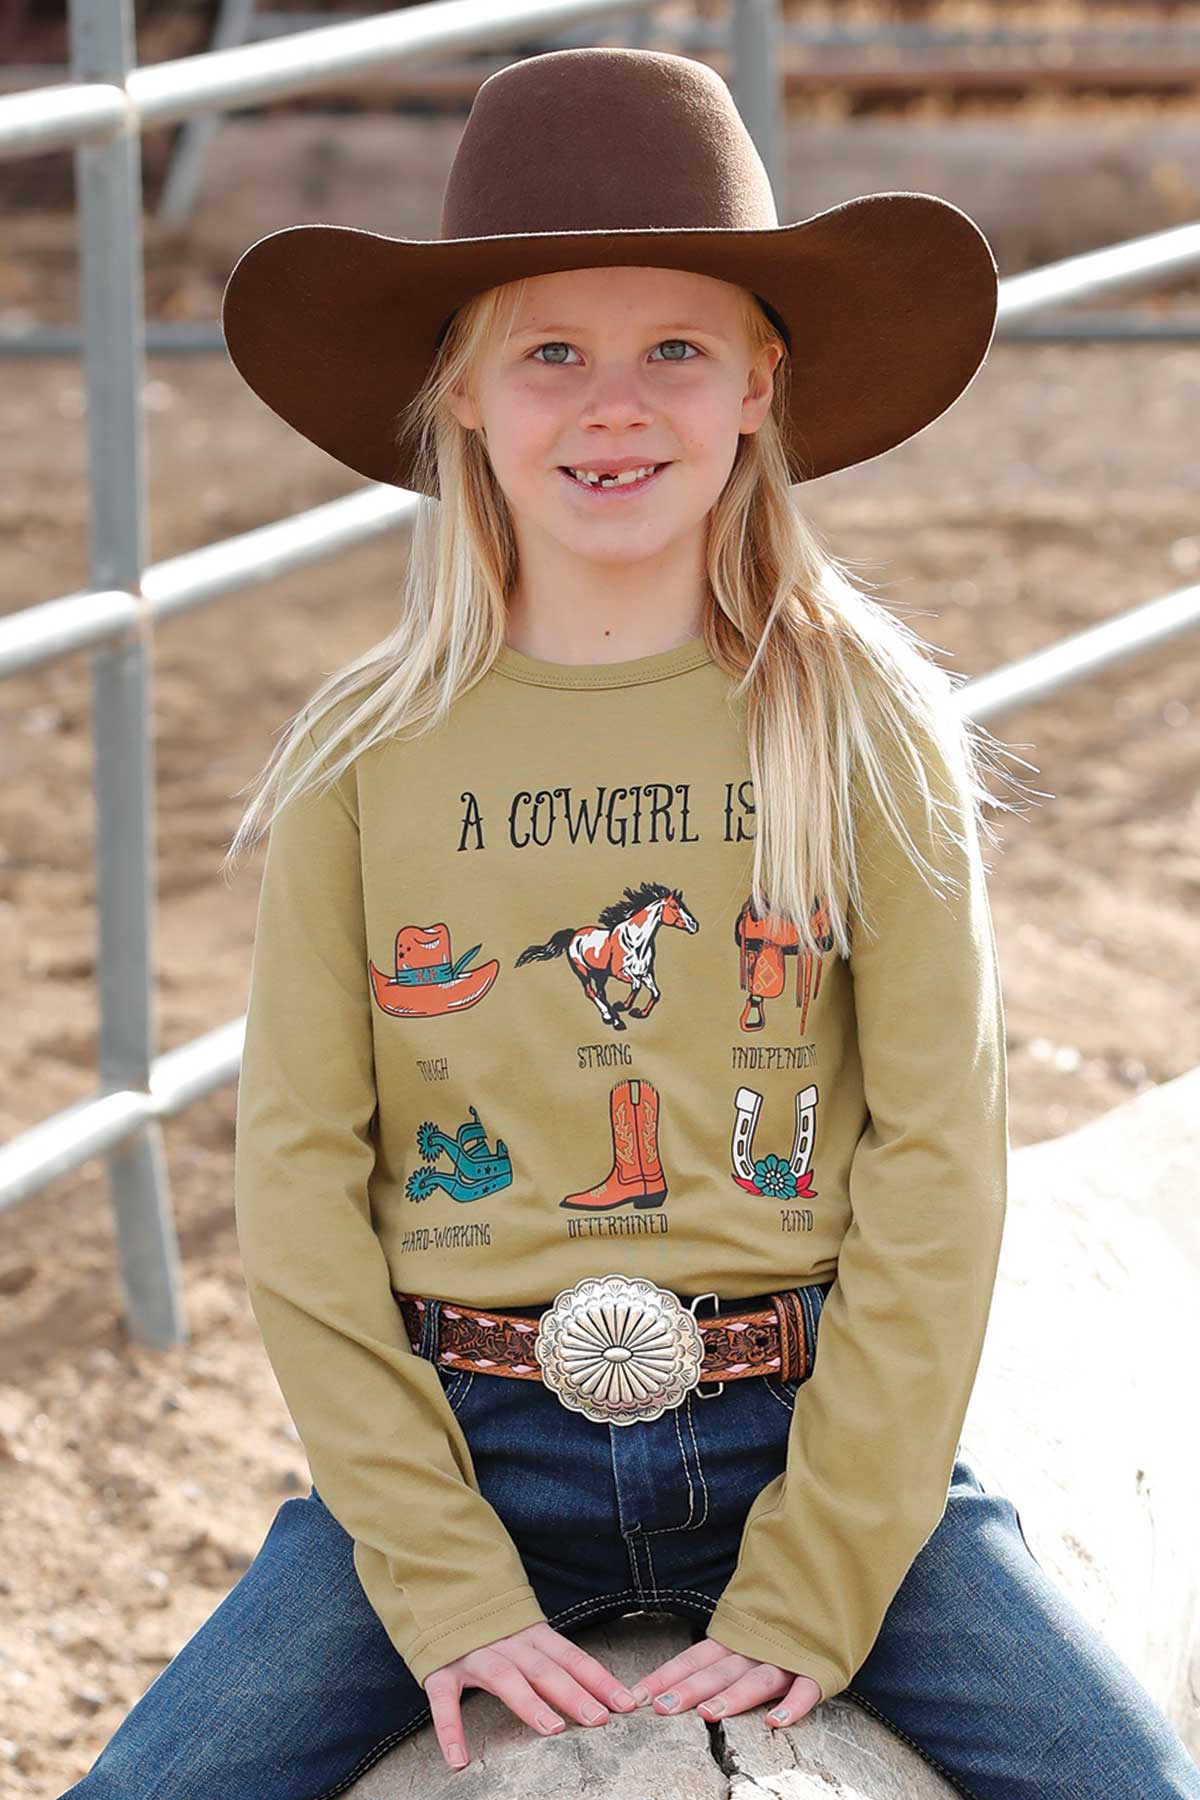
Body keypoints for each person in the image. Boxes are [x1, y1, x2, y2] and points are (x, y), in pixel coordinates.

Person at [61, 45, 1200, 1800]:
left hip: (796, 1429)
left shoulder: (862, 723)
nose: (615, 405)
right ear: (460, 401)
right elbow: (295, 1176)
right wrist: (436, 1579)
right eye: (551, 354)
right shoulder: (366, 757)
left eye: (676, 347)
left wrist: (829, 1566)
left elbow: (938, 1153)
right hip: (469, 1438)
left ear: (761, 383)